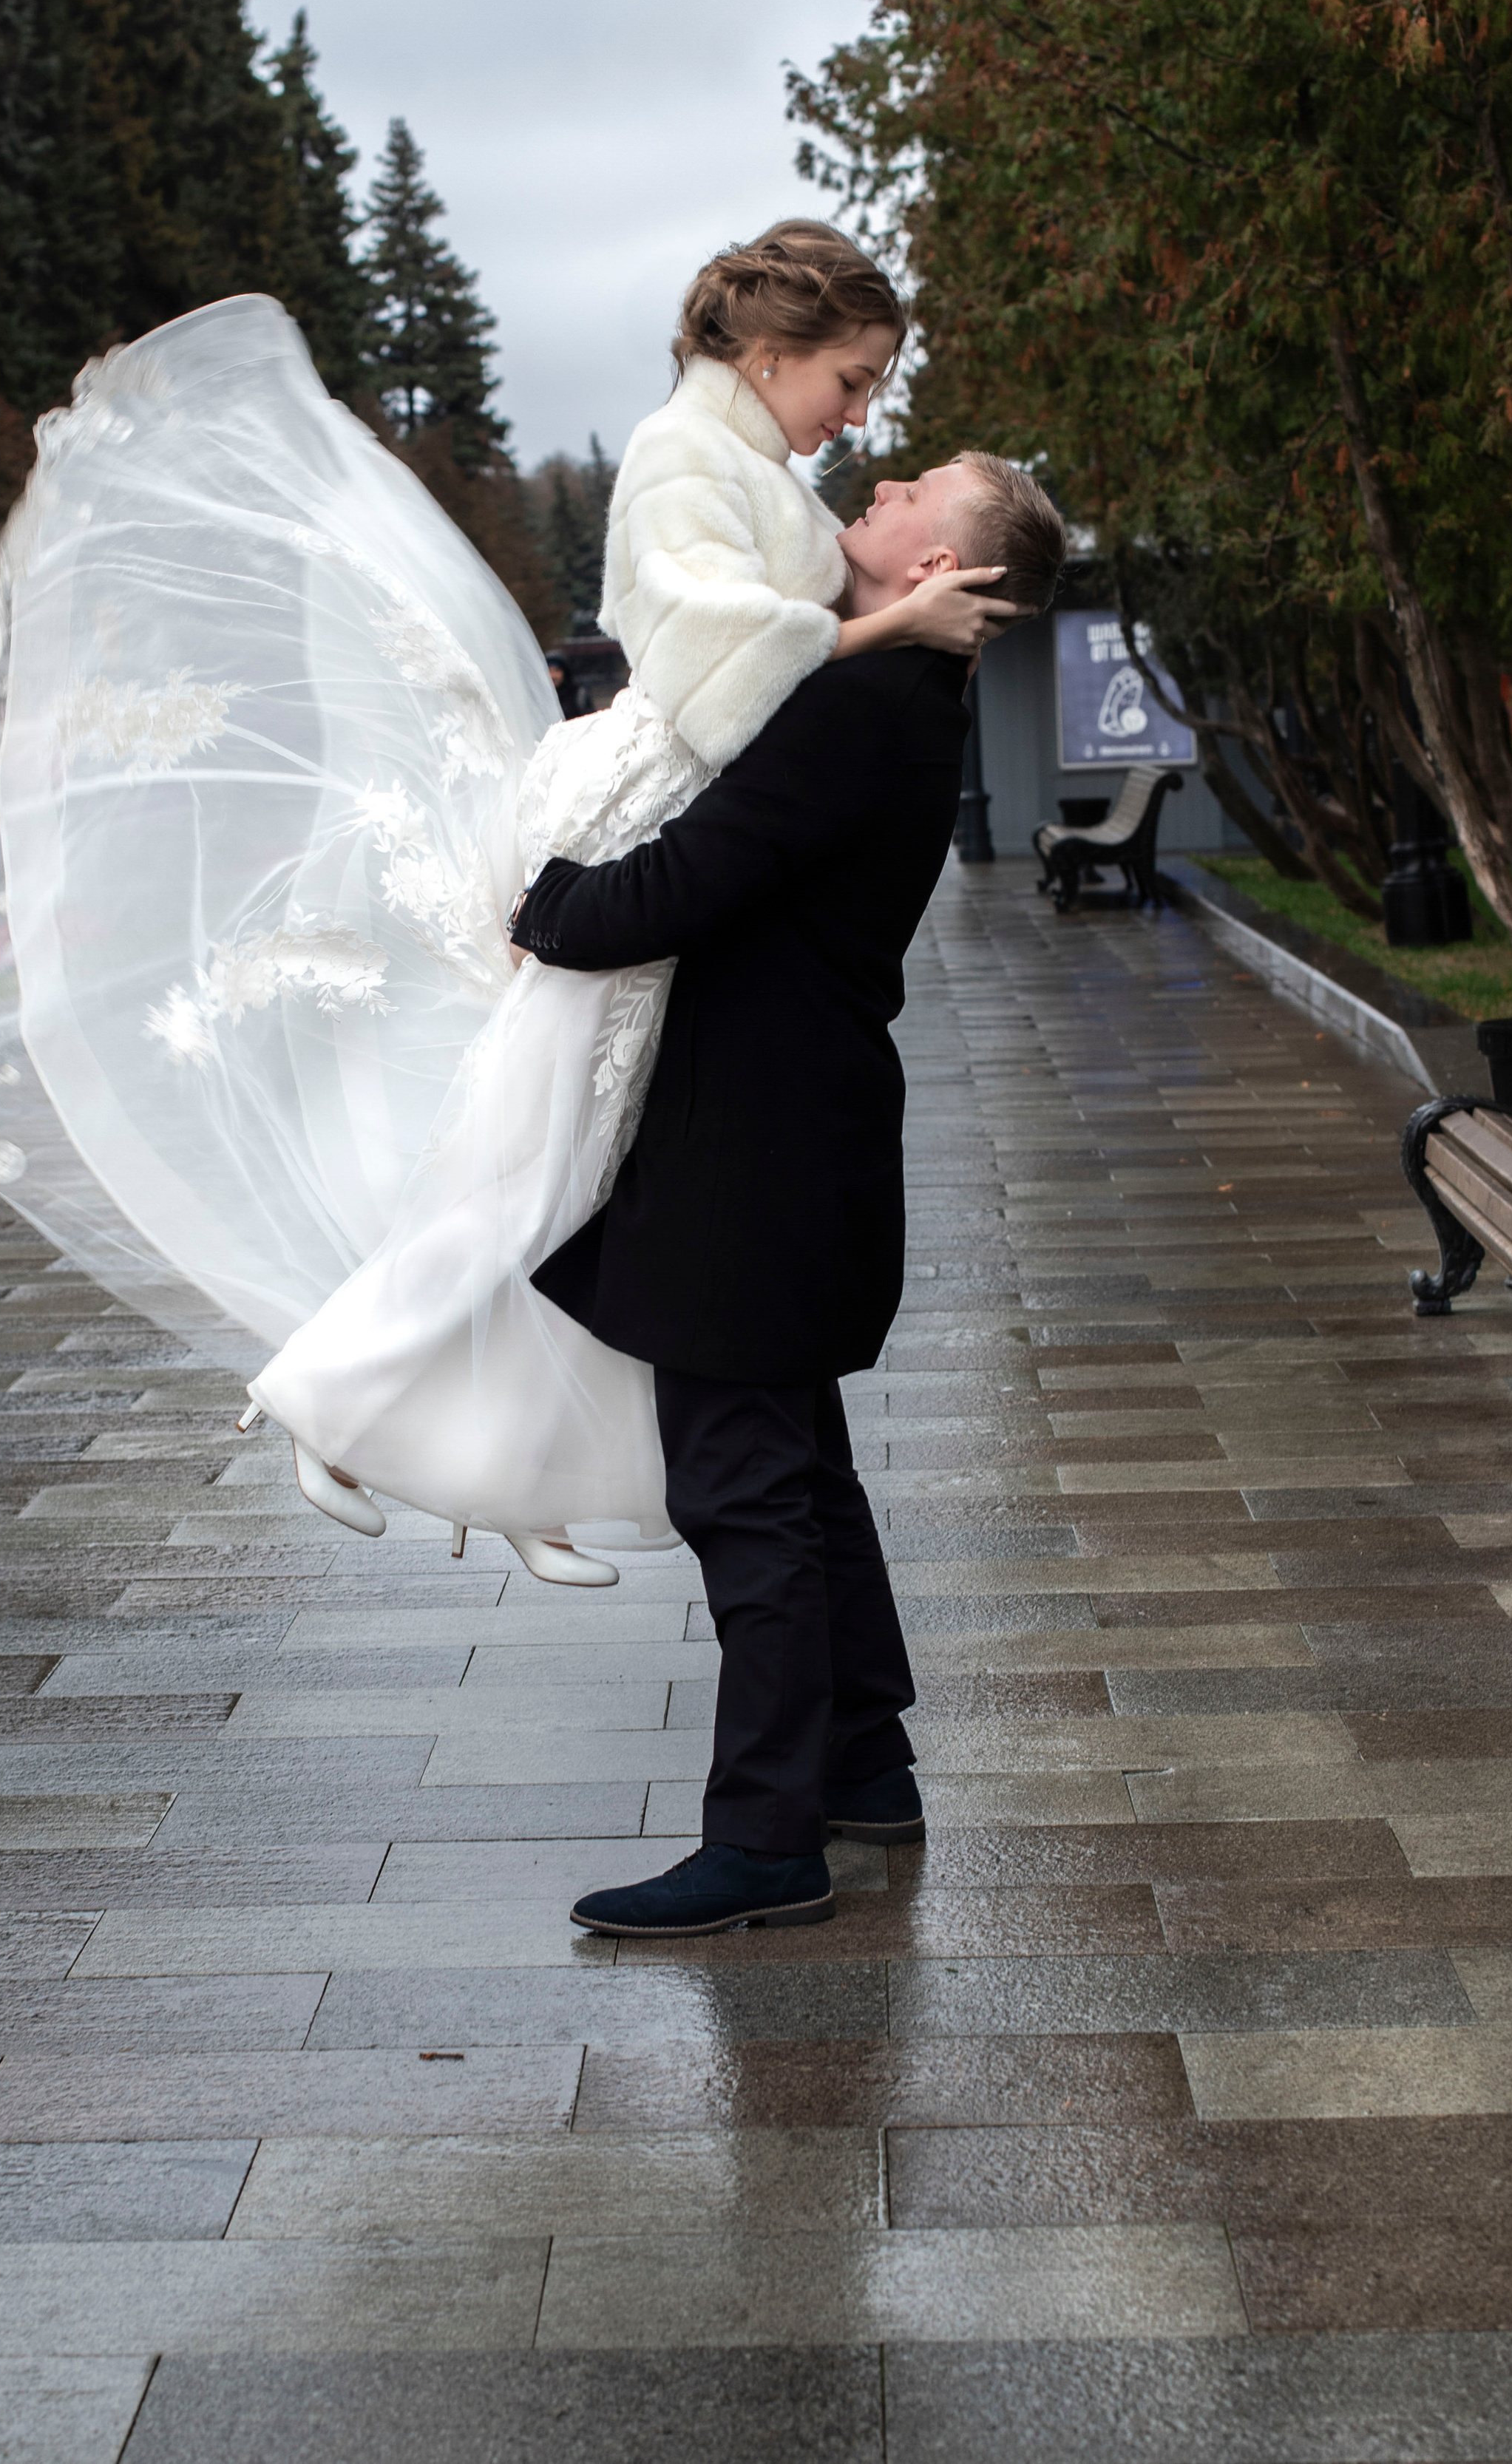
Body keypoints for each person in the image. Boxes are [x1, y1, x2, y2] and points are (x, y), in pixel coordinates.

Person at [0, 222, 1058, 1599]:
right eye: (855, 382)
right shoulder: (690, 460)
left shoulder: (766, 480)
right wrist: (886, 631)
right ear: (769, 357)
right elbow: (713, 655)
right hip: (620, 810)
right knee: (522, 1149)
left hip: (664, 845)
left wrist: (895, 620)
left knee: (557, 1167)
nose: (869, 427)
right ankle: (346, 1407)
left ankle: (501, 1466)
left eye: (883, 404)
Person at [502, 464, 1062, 1935]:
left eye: (907, 486)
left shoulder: (862, 707)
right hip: (789, 1140)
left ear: (932, 556)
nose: (871, 484)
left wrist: (536, 904)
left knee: (741, 1491)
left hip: (747, 1160)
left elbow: (691, 877)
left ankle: (764, 1839)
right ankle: (862, 1764)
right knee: (797, 1470)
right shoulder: (884, 692)